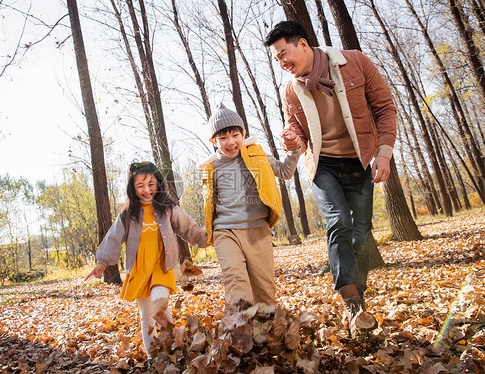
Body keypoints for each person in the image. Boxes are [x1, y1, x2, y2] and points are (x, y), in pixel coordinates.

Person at [264, 21, 397, 338]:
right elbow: (295, 131)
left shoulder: (355, 62)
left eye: (284, 54)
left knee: (362, 232)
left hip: (361, 159)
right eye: (276, 60)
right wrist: (292, 138)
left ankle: (359, 301)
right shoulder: (291, 90)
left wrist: (384, 152)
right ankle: (351, 303)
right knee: (339, 220)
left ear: (304, 45)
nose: (282, 64)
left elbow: (385, 108)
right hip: (322, 165)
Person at [85, 161, 208, 358]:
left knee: (161, 304)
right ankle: (153, 357)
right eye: (140, 186)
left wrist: (206, 238)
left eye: (151, 184)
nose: (146, 190)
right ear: (132, 188)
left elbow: (188, 227)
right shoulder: (128, 214)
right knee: (146, 316)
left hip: (162, 266)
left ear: (158, 184)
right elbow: (113, 238)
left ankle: (173, 349)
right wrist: (101, 262)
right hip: (139, 270)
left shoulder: (168, 208)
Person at [198, 102, 299, 315]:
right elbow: (211, 203)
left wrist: (294, 151)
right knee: (235, 279)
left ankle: (265, 332)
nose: (230, 142)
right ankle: (238, 328)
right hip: (225, 231)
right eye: (223, 138)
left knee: (264, 290)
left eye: (235, 135)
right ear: (213, 141)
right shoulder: (211, 168)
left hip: (257, 229)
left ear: (243, 133)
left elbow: (285, 172)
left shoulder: (257, 155)